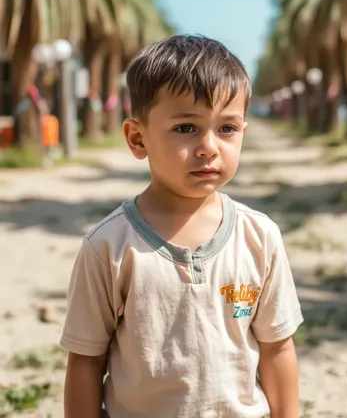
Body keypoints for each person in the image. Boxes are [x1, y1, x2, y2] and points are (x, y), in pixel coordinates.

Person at [61, 34, 303, 418]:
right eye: (186, 128)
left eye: (227, 129)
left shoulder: (259, 236)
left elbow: (277, 348)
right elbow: (86, 361)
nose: (209, 147)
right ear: (138, 138)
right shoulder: (109, 246)